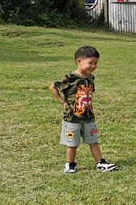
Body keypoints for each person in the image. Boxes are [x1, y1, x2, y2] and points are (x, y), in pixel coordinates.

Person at [49, 45, 118, 174]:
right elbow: (53, 87)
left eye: (95, 63)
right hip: (72, 118)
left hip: (88, 117)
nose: (93, 66)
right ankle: (70, 165)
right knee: (72, 143)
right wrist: (62, 102)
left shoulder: (90, 78)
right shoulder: (70, 78)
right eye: (90, 63)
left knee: (93, 141)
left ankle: (100, 163)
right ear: (79, 61)